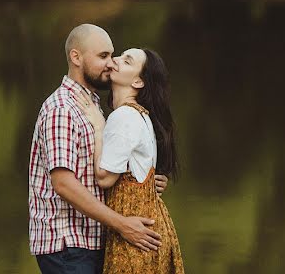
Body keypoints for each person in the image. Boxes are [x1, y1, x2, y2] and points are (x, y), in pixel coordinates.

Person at [29, 24, 169, 274]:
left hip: (91, 242)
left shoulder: (93, 106)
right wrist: (122, 224)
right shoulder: (62, 109)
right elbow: (63, 184)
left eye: (113, 55)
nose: (111, 62)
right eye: (103, 56)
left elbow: (105, 168)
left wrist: (144, 182)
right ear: (76, 57)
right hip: (67, 244)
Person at [78, 47, 185, 274]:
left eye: (126, 61)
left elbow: (105, 178)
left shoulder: (124, 116)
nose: (115, 60)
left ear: (138, 82)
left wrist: (98, 127)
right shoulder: (139, 115)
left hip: (136, 236)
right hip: (147, 230)